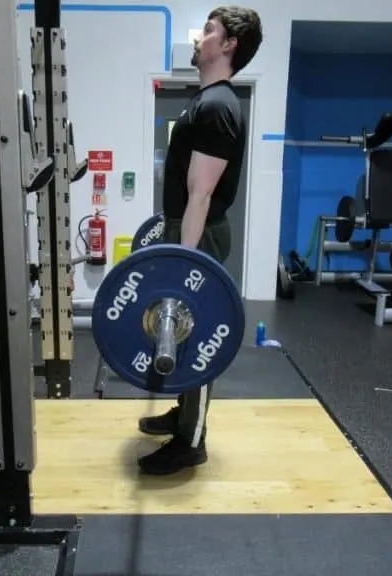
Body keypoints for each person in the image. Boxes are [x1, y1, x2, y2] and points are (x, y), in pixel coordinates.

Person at [135, 6, 263, 476]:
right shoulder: (206, 101)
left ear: (229, 45)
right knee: (181, 329)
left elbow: (202, 192)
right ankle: (184, 415)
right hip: (188, 229)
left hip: (199, 235)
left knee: (194, 329)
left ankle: (191, 441)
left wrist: (185, 262)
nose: (199, 38)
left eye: (208, 31)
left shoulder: (218, 107)